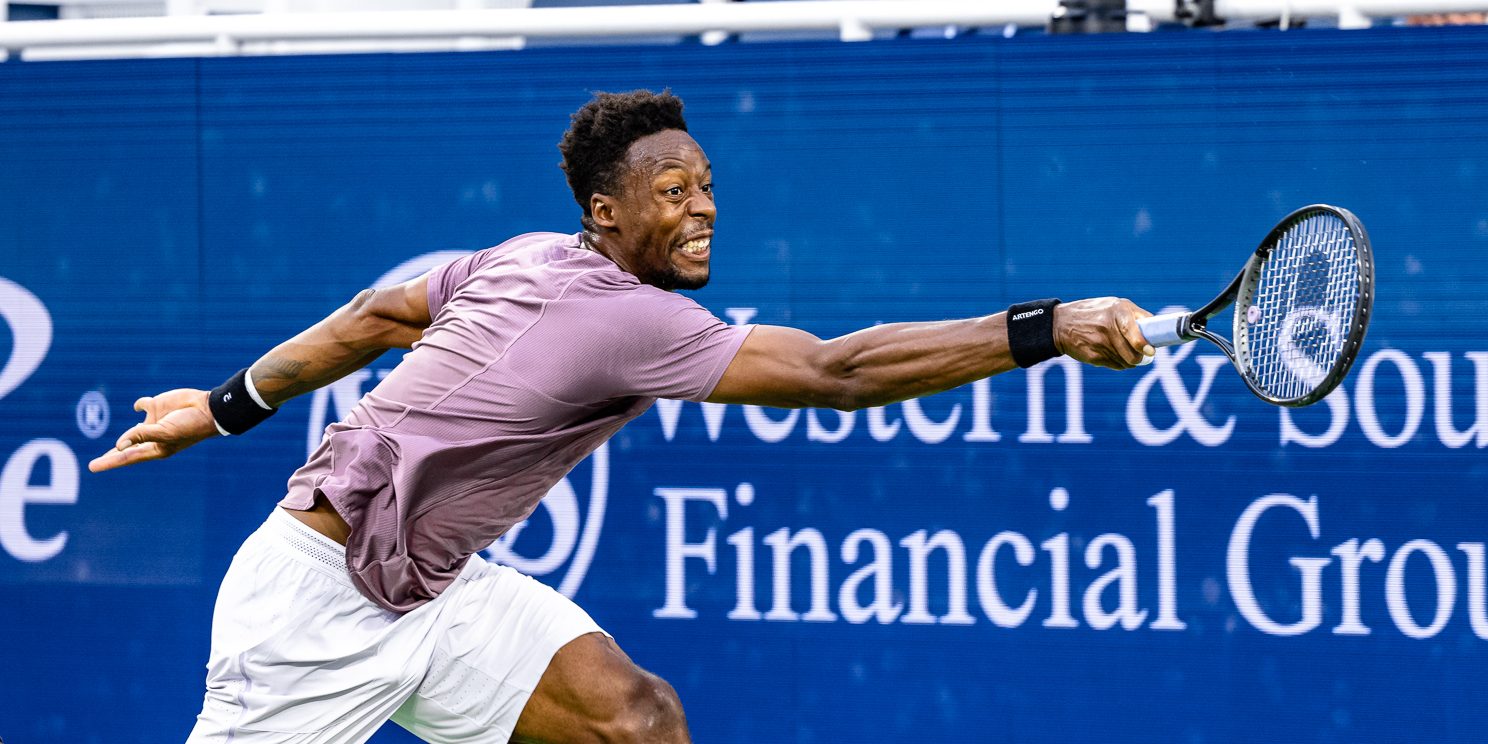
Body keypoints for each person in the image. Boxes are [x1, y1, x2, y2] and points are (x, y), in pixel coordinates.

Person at [90, 89, 1155, 744]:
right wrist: (1047, 326)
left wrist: (224, 408)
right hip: (315, 611)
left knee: (635, 719)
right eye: (673, 191)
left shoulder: (518, 256)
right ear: (606, 210)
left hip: (433, 593)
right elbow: (838, 372)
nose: (704, 209)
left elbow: (377, 313)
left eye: (705, 186)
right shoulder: (628, 319)